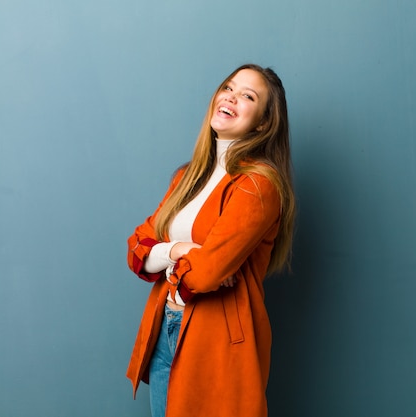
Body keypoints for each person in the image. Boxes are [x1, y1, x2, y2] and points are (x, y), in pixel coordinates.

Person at [125, 63, 295, 417]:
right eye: (229, 87)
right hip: (164, 331)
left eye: (248, 96)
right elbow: (137, 248)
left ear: (263, 122)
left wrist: (170, 258)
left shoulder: (258, 185)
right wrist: (182, 250)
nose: (231, 97)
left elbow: (206, 275)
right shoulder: (187, 177)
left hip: (216, 342)